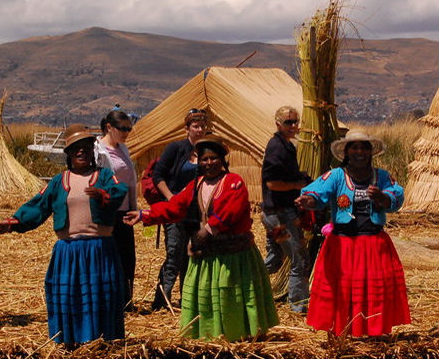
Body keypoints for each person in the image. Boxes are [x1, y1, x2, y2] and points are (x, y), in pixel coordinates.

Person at [125, 135, 279, 340]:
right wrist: (145, 215)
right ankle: (210, 333)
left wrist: (208, 229)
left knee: (230, 295)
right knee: (208, 297)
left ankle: (239, 334)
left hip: (233, 256)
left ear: (222, 160)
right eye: (204, 159)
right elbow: (175, 206)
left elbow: (231, 210)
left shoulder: (234, 182)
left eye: (213, 158)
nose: (209, 163)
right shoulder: (196, 185)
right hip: (207, 254)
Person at [0, 124, 128, 344]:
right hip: (69, 252)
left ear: (92, 151)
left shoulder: (103, 175)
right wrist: (13, 223)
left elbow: (119, 191)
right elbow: (39, 206)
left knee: (100, 299)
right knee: (71, 299)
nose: (81, 151)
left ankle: (102, 342)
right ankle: (70, 342)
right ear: (69, 154)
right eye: (75, 149)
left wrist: (102, 194)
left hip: (99, 250)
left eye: (85, 147)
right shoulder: (58, 181)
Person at [296, 131, 410, 338]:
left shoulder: (382, 177)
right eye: (354, 147)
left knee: (372, 292)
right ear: (346, 152)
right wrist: (309, 202)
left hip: (374, 243)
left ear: (371, 151)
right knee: (342, 290)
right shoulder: (337, 176)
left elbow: (397, 197)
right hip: (343, 245)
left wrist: (382, 197)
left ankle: (373, 333)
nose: (360, 152)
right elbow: (317, 192)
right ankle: (342, 332)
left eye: (364, 147)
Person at [149, 108, 207, 310]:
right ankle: (161, 301)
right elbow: (158, 175)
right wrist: (171, 198)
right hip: (175, 211)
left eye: (202, 126)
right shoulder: (176, 148)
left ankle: (187, 299)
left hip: (196, 213)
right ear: (187, 129)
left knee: (192, 256)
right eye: (195, 126)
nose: (199, 130)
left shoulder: (206, 151)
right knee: (174, 253)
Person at [261, 106, 310, 313]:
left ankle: (246, 288)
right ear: (278, 124)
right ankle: (299, 305)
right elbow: (272, 183)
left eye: (295, 121)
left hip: (275, 213)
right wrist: (297, 185)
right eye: (288, 122)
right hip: (279, 215)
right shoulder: (276, 147)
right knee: (299, 259)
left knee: (275, 259)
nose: (293, 126)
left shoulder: (288, 146)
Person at [95, 109, 138, 312]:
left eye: (129, 129)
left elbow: (130, 180)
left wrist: (134, 207)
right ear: (109, 127)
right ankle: (110, 301)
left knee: (127, 257)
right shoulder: (98, 150)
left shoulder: (123, 149)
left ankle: (126, 301)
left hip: (125, 211)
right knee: (109, 257)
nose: (126, 132)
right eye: (122, 129)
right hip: (108, 211)